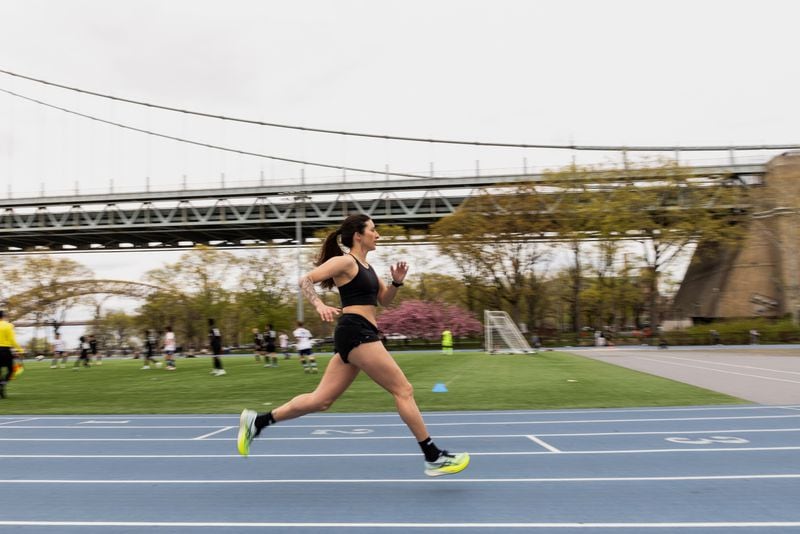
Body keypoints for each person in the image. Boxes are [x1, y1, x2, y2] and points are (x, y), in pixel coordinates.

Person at [237, 214, 470, 477]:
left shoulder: (368, 268)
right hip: (356, 331)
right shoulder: (345, 261)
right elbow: (305, 280)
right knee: (403, 389)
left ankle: (258, 421)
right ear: (358, 235)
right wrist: (319, 305)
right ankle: (433, 456)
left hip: (357, 333)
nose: (378, 234)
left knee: (321, 400)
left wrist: (396, 282)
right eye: (373, 229)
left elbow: (384, 301)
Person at [0, 310, 23, 399]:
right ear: (3, 316)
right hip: (5, 350)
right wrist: (20, 350)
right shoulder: (9, 325)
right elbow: (12, 340)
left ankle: (0, 382)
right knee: (11, 370)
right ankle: (3, 383)